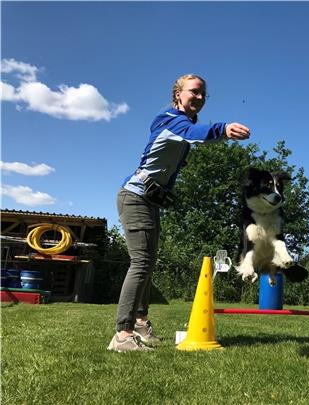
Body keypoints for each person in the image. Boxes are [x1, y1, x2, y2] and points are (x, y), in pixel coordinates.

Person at [108, 74, 250, 352]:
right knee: (140, 262)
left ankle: (140, 324)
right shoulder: (169, 120)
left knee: (147, 263)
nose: (199, 97)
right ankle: (122, 334)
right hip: (134, 197)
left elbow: (191, 135)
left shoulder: (182, 124)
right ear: (178, 94)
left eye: (203, 94)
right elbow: (193, 133)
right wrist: (223, 129)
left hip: (148, 201)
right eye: (194, 92)